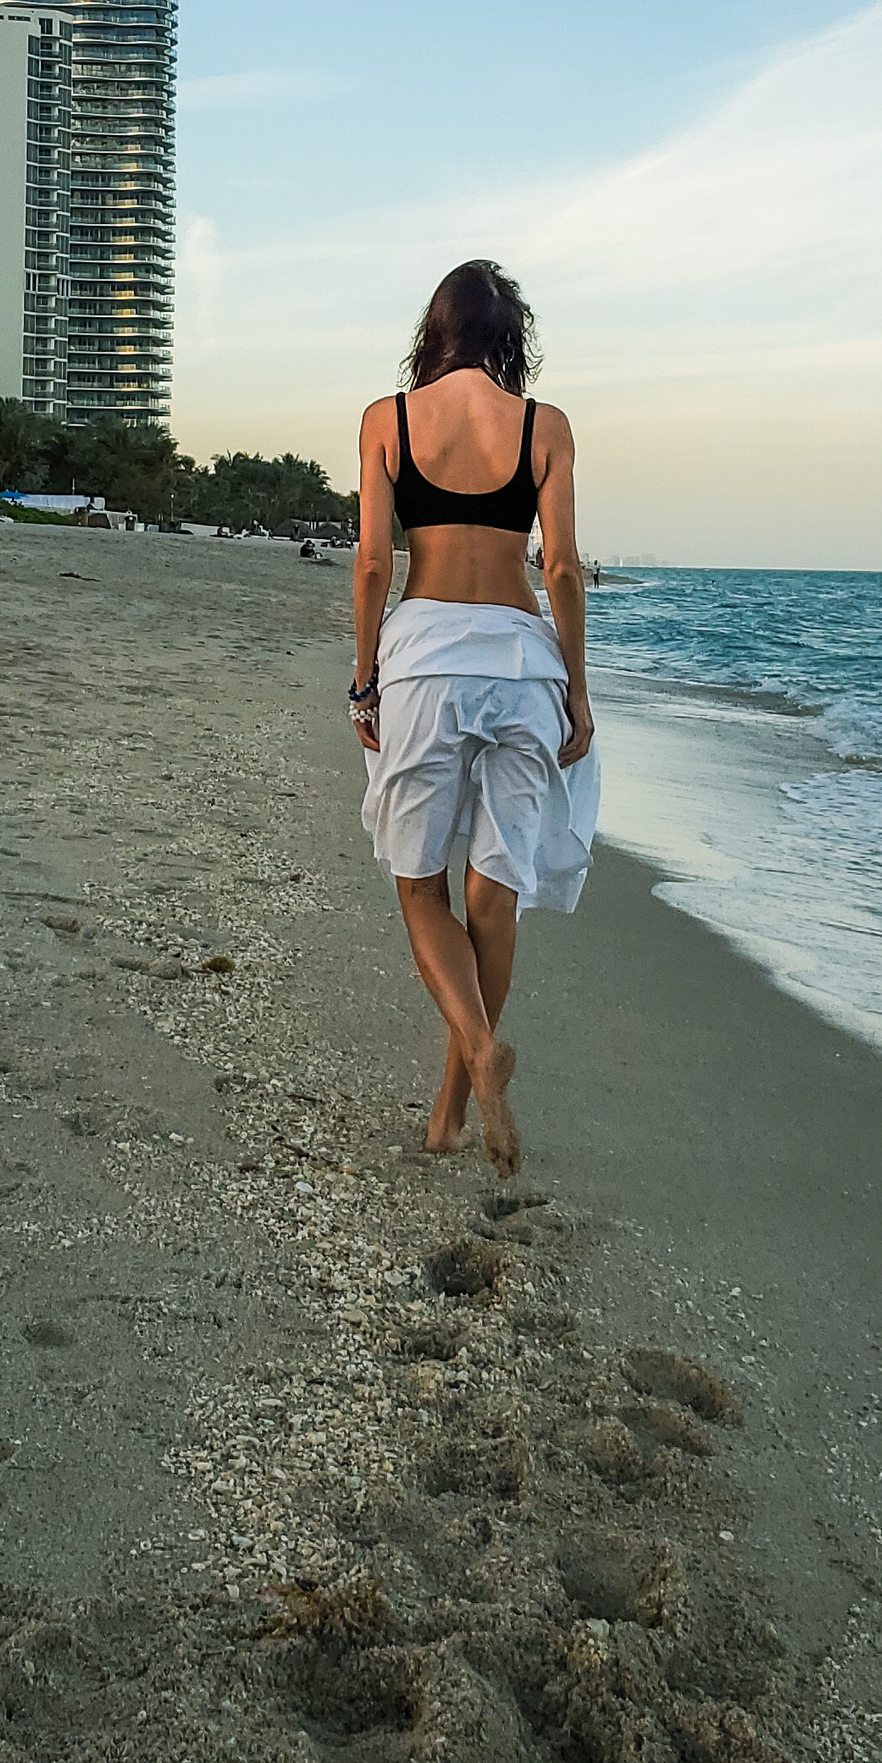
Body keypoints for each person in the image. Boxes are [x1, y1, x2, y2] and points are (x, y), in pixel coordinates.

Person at [351, 260, 600, 1177]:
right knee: (494, 898)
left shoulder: (388, 420)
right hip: (523, 665)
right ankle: (451, 1110)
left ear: (435, 331)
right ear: (509, 339)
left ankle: (476, 1059)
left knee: (421, 888)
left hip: (425, 662)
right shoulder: (546, 427)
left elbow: (375, 560)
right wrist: (576, 685)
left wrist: (362, 672)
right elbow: (563, 569)